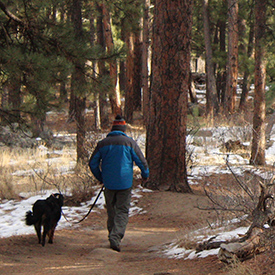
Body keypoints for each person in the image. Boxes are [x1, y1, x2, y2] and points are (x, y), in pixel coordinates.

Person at [89, 115, 149, 252]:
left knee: (111, 211)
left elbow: (92, 164)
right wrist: (145, 175)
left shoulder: (103, 143)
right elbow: (142, 162)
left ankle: (112, 235)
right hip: (125, 183)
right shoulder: (129, 143)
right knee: (122, 211)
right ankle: (115, 237)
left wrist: (101, 177)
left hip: (108, 183)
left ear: (113, 128)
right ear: (123, 129)